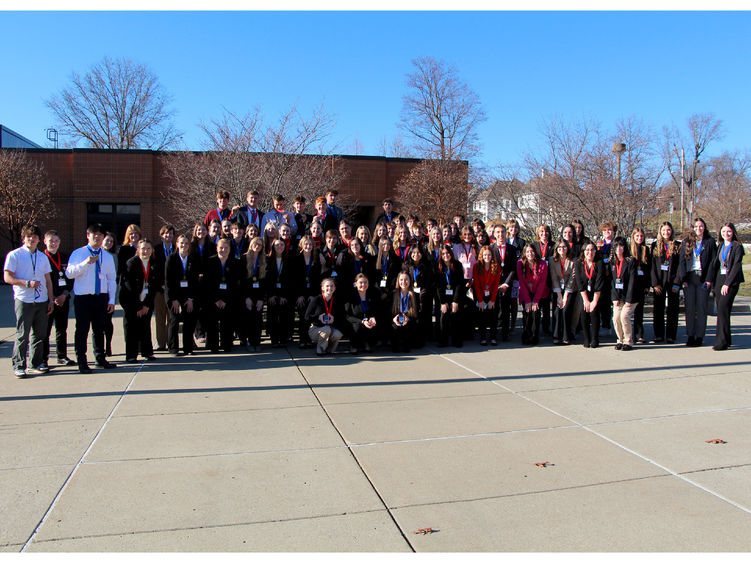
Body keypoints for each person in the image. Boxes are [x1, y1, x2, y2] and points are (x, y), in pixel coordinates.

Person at [65, 223, 118, 373]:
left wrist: (111, 300)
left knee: (99, 329)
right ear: (88, 236)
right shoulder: (78, 253)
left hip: (100, 297)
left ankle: (100, 358)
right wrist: (85, 263)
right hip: (83, 298)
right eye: (94, 234)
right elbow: (69, 273)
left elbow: (111, 279)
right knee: (82, 330)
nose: (97, 237)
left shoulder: (106, 256)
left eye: (100, 235)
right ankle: (82, 361)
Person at [4, 224, 55, 377]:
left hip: (42, 300)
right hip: (23, 299)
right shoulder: (14, 255)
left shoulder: (42, 257)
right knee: (22, 334)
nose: (31, 239)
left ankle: (35, 363)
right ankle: (19, 365)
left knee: (39, 335)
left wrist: (50, 300)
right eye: (28, 237)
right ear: (23, 237)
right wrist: (26, 283)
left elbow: (48, 280)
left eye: (34, 237)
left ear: (39, 240)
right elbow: (7, 277)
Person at [679, 217, 717, 347]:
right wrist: (683, 279)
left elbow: (713, 262)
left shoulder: (710, 242)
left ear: (704, 227)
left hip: (703, 278)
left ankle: (699, 336)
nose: (698, 229)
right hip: (690, 278)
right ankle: (690, 335)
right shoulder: (687, 242)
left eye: (701, 226)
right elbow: (682, 262)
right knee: (690, 309)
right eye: (696, 227)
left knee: (701, 309)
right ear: (693, 228)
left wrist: (709, 279)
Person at [120, 239, 159, 362]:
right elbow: (128, 286)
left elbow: (154, 286)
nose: (145, 251)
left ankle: (147, 352)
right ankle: (131, 355)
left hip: (146, 301)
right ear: (138, 250)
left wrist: (146, 305)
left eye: (148, 249)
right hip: (131, 301)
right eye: (143, 249)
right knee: (131, 328)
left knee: (145, 326)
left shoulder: (154, 263)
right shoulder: (132, 263)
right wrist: (138, 306)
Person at [708, 222, 745, 351]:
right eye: (723, 231)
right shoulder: (720, 246)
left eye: (729, 231)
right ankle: (727, 339)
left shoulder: (737, 247)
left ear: (733, 232)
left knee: (723, 309)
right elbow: (716, 265)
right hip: (719, 279)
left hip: (731, 281)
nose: (726, 234)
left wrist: (727, 283)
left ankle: (721, 342)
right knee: (722, 311)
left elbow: (736, 266)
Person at [42, 230, 76, 367]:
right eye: (51, 241)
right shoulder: (41, 258)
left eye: (56, 241)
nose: (53, 244)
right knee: (45, 329)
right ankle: (43, 358)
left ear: (59, 242)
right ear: (45, 241)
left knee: (62, 328)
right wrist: (52, 298)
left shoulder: (65, 258)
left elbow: (70, 278)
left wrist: (65, 294)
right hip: (47, 300)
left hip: (63, 298)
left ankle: (62, 356)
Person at [203, 238, 243, 353]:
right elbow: (207, 283)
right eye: (221, 247)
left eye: (226, 248)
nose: (223, 250)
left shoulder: (235, 263)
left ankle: (227, 344)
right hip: (213, 299)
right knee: (212, 324)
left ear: (230, 249)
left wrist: (225, 300)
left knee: (227, 323)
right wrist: (216, 299)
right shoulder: (210, 262)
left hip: (229, 299)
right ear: (217, 248)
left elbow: (235, 284)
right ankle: (213, 345)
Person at [165, 234, 201, 356]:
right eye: (181, 243)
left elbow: (195, 281)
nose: (184, 245)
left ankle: (188, 348)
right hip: (174, 295)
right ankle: (173, 349)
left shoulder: (193, 259)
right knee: (174, 321)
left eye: (186, 243)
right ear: (177, 244)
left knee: (189, 321)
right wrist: (173, 299)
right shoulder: (171, 258)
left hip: (188, 295)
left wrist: (191, 299)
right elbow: (168, 281)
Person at [650, 221, 681, 344]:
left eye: (668, 230)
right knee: (658, 308)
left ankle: (671, 335)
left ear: (672, 231)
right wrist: (655, 283)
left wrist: (677, 283)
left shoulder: (678, 245)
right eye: (663, 230)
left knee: (673, 309)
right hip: (659, 281)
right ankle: (658, 335)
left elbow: (680, 266)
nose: (666, 232)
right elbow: (652, 266)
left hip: (672, 281)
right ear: (660, 231)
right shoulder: (655, 246)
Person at [490, 223, 518, 342]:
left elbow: (513, 268)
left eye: (502, 232)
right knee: (494, 309)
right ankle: (493, 334)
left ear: (506, 233)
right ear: (494, 234)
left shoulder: (512, 249)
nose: (500, 235)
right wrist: (495, 283)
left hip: (507, 284)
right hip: (494, 283)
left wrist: (506, 283)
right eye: (498, 232)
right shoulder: (490, 249)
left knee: (506, 308)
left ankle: (505, 333)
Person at [517, 244, 549, 345]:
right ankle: (526, 334)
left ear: (535, 252)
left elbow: (542, 283)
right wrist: (527, 301)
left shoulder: (542, 264)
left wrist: (535, 301)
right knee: (527, 312)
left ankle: (535, 336)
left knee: (536, 313)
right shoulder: (520, 264)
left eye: (532, 251)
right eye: (527, 252)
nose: (530, 254)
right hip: (525, 292)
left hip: (538, 293)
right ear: (524, 254)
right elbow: (521, 282)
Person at [292, 235, 320, 349]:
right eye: (306, 244)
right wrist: (299, 295)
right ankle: (302, 340)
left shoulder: (316, 260)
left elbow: (317, 279)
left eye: (310, 244)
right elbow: (293, 280)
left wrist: (313, 295)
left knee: (310, 317)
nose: (308, 246)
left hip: (311, 294)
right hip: (300, 294)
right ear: (302, 245)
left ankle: (309, 339)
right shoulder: (296, 259)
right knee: (302, 316)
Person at [575, 242, 605, 349]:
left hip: (597, 293)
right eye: (587, 250)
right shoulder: (578, 263)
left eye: (592, 250)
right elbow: (579, 283)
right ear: (583, 251)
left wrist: (594, 301)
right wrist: (586, 301)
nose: (589, 252)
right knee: (584, 313)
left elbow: (599, 282)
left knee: (594, 312)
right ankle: (586, 338)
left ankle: (595, 338)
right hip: (584, 293)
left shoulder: (599, 263)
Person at [609, 237, 637, 351]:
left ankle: (628, 341)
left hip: (630, 296)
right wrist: (614, 297)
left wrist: (629, 300)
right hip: (618, 296)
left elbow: (632, 281)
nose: (619, 249)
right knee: (616, 318)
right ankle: (620, 340)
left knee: (624, 316)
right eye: (616, 246)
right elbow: (611, 281)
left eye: (621, 246)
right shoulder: (612, 262)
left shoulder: (631, 261)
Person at [305, 277, 344, 356]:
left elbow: (342, 317)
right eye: (327, 286)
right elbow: (306, 317)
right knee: (326, 329)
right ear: (322, 288)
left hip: (330, 328)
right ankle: (320, 348)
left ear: (335, 288)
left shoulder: (337, 301)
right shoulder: (316, 300)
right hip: (316, 329)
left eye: (332, 286)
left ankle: (329, 349)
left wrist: (334, 319)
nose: (329, 288)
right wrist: (318, 317)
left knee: (338, 334)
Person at [265, 238, 293, 347]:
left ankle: (283, 338)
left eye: (282, 245)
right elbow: (266, 279)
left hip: (284, 293)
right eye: (277, 245)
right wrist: (270, 295)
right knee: (272, 316)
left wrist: (284, 295)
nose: (279, 247)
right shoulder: (267, 259)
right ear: (273, 246)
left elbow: (291, 280)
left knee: (284, 317)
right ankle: (274, 339)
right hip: (272, 293)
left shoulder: (289, 260)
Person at [152, 224, 175, 351]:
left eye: (171, 233)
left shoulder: (176, 249)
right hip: (159, 290)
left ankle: (171, 341)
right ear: (162, 235)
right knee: (160, 318)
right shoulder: (156, 250)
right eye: (166, 233)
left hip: (172, 290)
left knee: (172, 317)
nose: (168, 236)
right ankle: (161, 343)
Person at [472, 245, 501, 345]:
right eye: (485, 255)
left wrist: (492, 300)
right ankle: (483, 337)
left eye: (489, 255)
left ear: (492, 255)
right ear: (481, 255)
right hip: (480, 295)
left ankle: (493, 337)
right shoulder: (476, 266)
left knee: (493, 315)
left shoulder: (497, 266)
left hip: (492, 294)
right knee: (482, 316)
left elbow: (496, 284)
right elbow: (476, 284)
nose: (487, 257)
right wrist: (480, 300)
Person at [435, 246, 464, 347]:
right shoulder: (438, 267)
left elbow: (459, 285)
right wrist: (442, 302)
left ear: (451, 254)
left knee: (456, 314)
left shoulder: (458, 265)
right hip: (443, 297)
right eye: (443, 254)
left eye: (447, 253)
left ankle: (457, 340)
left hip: (455, 295)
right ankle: (443, 340)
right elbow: (438, 286)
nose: (446, 255)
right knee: (443, 315)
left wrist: (455, 301)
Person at [343, 273, 379, 353]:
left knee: (374, 324)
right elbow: (348, 316)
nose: (363, 284)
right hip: (355, 322)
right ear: (356, 284)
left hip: (367, 321)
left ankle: (368, 344)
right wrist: (362, 321)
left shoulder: (372, 295)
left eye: (365, 282)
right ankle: (354, 345)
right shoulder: (350, 296)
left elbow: (375, 310)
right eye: (361, 282)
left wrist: (373, 317)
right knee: (357, 327)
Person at [550, 239, 576, 345]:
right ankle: (556, 335)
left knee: (565, 310)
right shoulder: (552, 260)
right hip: (557, 289)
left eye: (564, 247)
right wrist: (559, 295)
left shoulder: (573, 260)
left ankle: (566, 335)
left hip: (569, 289)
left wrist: (565, 295)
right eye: (559, 247)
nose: (562, 249)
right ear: (556, 249)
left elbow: (572, 278)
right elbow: (554, 277)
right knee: (557, 309)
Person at [629, 227, 652, 344]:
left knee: (639, 310)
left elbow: (648, 269)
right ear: (633, 237)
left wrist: (648, 285)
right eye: (637, 236)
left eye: (641, 236)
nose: (639, 238)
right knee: (628, 310)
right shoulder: (629, 249)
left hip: (641, 283)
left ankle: (639, 334)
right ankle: (628, 334)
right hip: (630, 283)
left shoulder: (646, 250)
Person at [390, 270, 419, 352]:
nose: (404, 282)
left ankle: (407, 344)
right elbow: (389, 312)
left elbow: (417, 313)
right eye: (401, 280)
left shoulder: (415, 295)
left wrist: (408, 318)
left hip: (409, 320)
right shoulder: (393, 294)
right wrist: (394, 318)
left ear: (410, 281)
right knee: (395, 327)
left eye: (406, 279)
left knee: (408, 327)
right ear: (398, 281)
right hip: (396, 319)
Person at [596, 221, 617, 333]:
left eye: (609, 230)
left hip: (613, 276)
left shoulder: (616, 244)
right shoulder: (600, 245)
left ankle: (612, 324)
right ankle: (604, 324)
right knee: (602, 301)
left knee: (612, 300)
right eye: (604, 230)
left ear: (613, 232)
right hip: (601, 276)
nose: (606, 232)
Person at [102, 232, 118, 356]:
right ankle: (100, 346)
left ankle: (108, 345)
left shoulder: (113, 256)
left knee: (108, 321)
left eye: (111, 241)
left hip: (109, 292)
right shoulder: (97, 254)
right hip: (98, 292)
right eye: (107, 240)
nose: (109, 243)